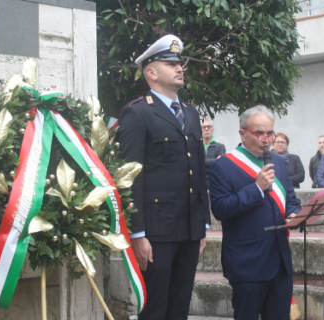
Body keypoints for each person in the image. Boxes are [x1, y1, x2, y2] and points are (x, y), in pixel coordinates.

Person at [117, 34, 210, 320]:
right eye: (170, 63)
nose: (179, 67)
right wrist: (138, 233)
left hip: (190, 227)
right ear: (151, 72)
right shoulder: (138, 113)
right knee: (155, 307)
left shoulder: (191, 114)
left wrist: (203, 223)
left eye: (179, 63)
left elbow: (199, 171)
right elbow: (130, 177)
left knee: (180, 306)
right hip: (157, 231)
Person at [209, 106, 300, 320]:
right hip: (247, 261)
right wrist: (257, 188)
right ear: (243, 133)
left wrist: (294, 214)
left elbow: (291, 200)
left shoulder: (278, 161)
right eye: (259, 133)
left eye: (270, 133)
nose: (266, 139)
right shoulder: (223, 166)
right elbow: (220, 209)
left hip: (279, 260)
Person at [202, 119, 226, 185]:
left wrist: (201, 161)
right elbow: (194, 163)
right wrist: (215, 160)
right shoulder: (196, 146)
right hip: (199, 184)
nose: (206, 129)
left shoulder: (220, 147)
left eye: (209, 127)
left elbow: (220, 164)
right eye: (204, 127)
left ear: (213, 130)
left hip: (215, 183)